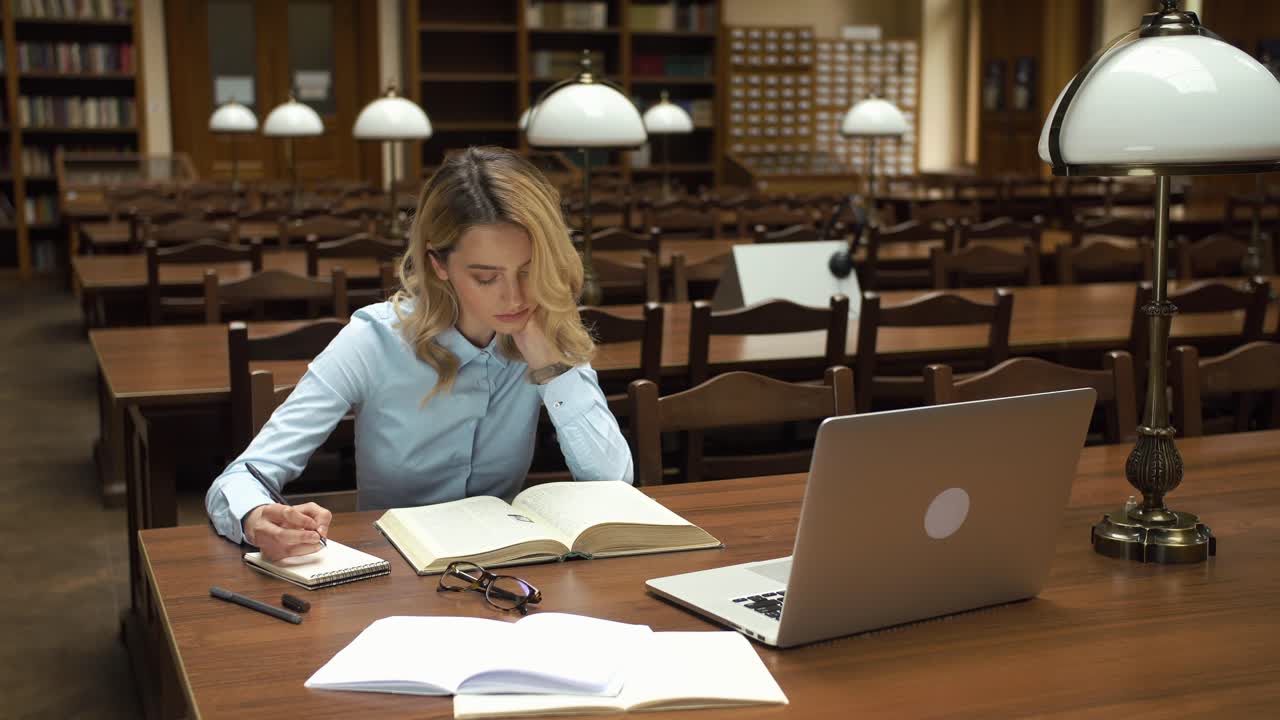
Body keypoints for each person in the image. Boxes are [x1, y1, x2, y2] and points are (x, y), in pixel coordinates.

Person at [206, 146, 634, 560]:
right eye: (486, 277)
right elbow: (240, 478)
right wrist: (256, 516)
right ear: (438, 264)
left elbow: (615, 486)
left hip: (507, 573)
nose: (515, 296)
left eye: (528, 270)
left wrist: (552, 365)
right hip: (392, 578)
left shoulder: (545, 327)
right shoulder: (373, 340)